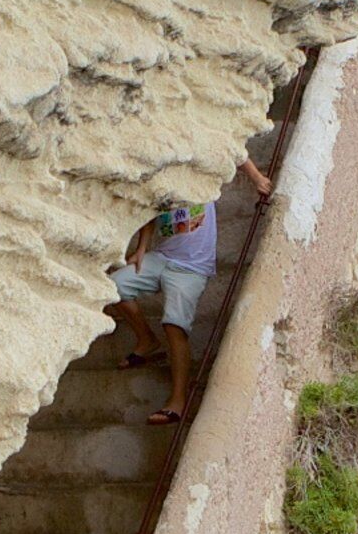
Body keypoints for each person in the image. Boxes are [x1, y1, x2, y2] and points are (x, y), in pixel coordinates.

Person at [106, 157, 273, 425]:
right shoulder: (161, 176)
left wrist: (257, 178)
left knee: (175, 325)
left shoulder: (201, 170)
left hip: (192, 268)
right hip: (161, 258)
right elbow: (151, 213)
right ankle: (147, 340)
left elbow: (233, 152)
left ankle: (178, 401)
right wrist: (141, 249)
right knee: (112, 288)